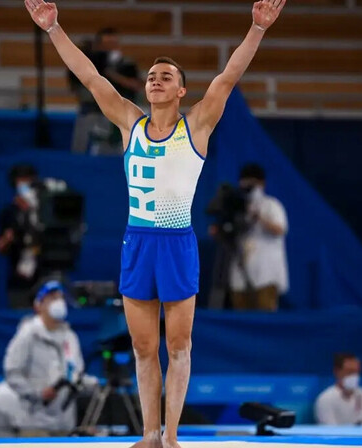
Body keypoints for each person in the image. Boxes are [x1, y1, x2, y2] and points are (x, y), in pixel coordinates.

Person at [23, 0, 286, 446]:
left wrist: (257, 29)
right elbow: (90, 76)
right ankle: (149, 433)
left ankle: (172, 435)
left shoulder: (198, 125)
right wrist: (54, 29)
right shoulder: (129, 123)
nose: (156, 81)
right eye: (151, 76)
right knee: (144, 348)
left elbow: (228, 77)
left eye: (166, 77)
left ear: (182, 91)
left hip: (177, 242)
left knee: (178, 346)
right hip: (139, 242)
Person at [2, 280, 85, 437]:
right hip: (34, 423)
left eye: (60, 297)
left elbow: (77, 370)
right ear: (38, 305)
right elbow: (12, 372)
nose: (58, 302)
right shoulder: (27, 334)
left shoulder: (70, 336)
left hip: (64, 423)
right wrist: (37, 393)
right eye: (52, 297)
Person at [70, 28, 143, 155]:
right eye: (106, 46)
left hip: (123, 115)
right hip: (94, 113)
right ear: (99, 46)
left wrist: (114, 76)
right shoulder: (90, 66)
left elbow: (137, 85)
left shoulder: (127, 65)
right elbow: (77, 88)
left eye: (113, 45)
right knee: (86, 149)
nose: (110, 49)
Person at [228, 163, 288, 311]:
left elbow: (280, 229)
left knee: (265, 317)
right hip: (240, 271)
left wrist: (259, 217)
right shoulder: (237, 207)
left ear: (262, 184)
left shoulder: (272, 205)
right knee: (240, 318)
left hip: (265, 274)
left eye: (252, 184)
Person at [0, 164, 44, 308]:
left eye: (30, 181)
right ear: (15, 184)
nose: (27, 185)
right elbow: (0, 248)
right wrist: (7, 238)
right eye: (22, 181)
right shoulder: (8, 213)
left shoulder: (44, 210)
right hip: (19, 281)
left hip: (43, 277)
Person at [315, 353, 362, 426]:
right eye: (349, 372)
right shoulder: (325, 399)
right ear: (337, 371)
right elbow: (330, 432)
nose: (354, 376)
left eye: (357, 372)